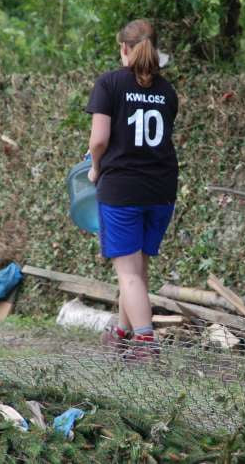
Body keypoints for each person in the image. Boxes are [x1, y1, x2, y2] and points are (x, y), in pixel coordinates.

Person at [85, 19, 178, 360]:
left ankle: (145, 343)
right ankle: (123, 331)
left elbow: (99, 140)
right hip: (162, 188)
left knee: (127, 272)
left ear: (124, 48)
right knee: (138, 267)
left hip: (122, 187)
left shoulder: (109, 84)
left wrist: (96, 169)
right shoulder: (167, 90)